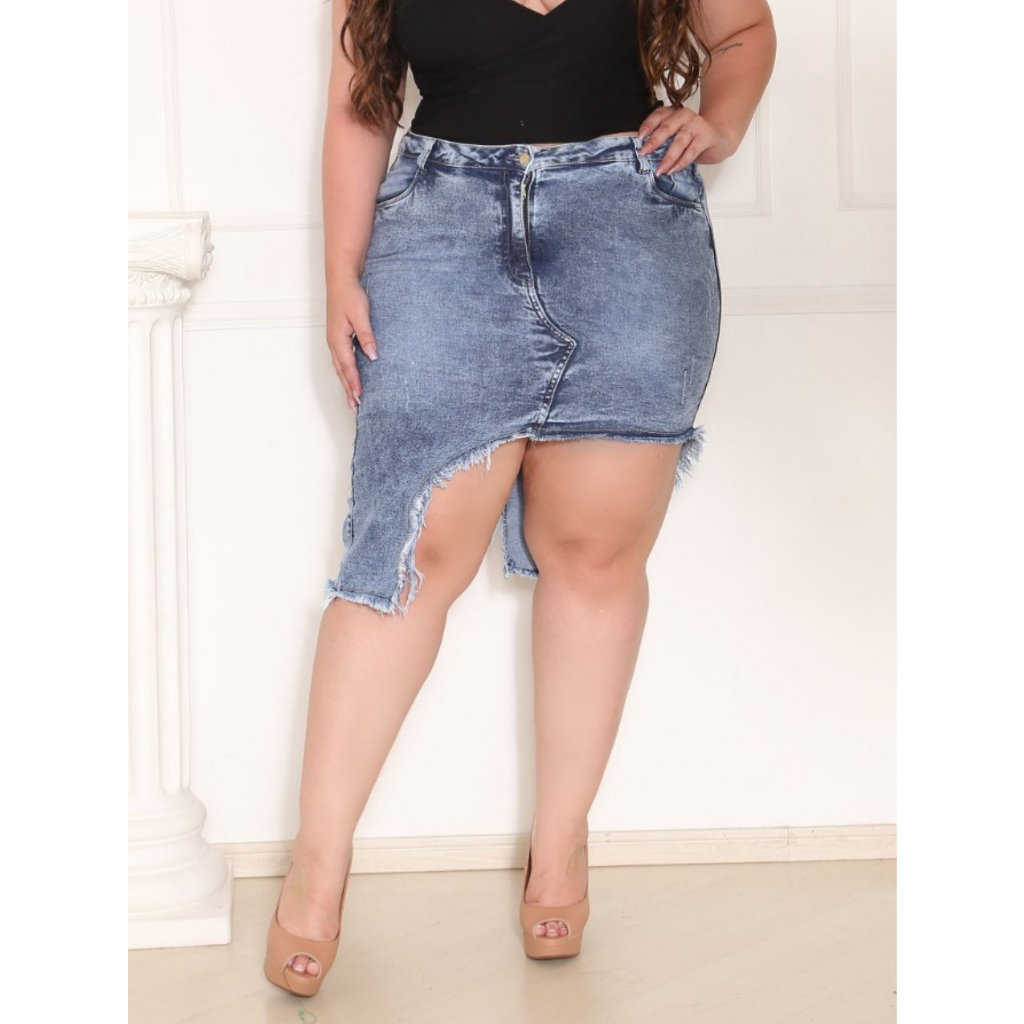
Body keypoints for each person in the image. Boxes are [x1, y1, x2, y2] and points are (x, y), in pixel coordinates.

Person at [264, 0, 776, 997]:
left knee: (594, 554)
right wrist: (340, 275)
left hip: (630, 234)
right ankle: (317, 866)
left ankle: (560, 843)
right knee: (408, 559)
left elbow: (744, 32)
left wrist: (721, 118)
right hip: (439, 237)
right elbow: (361, 105)